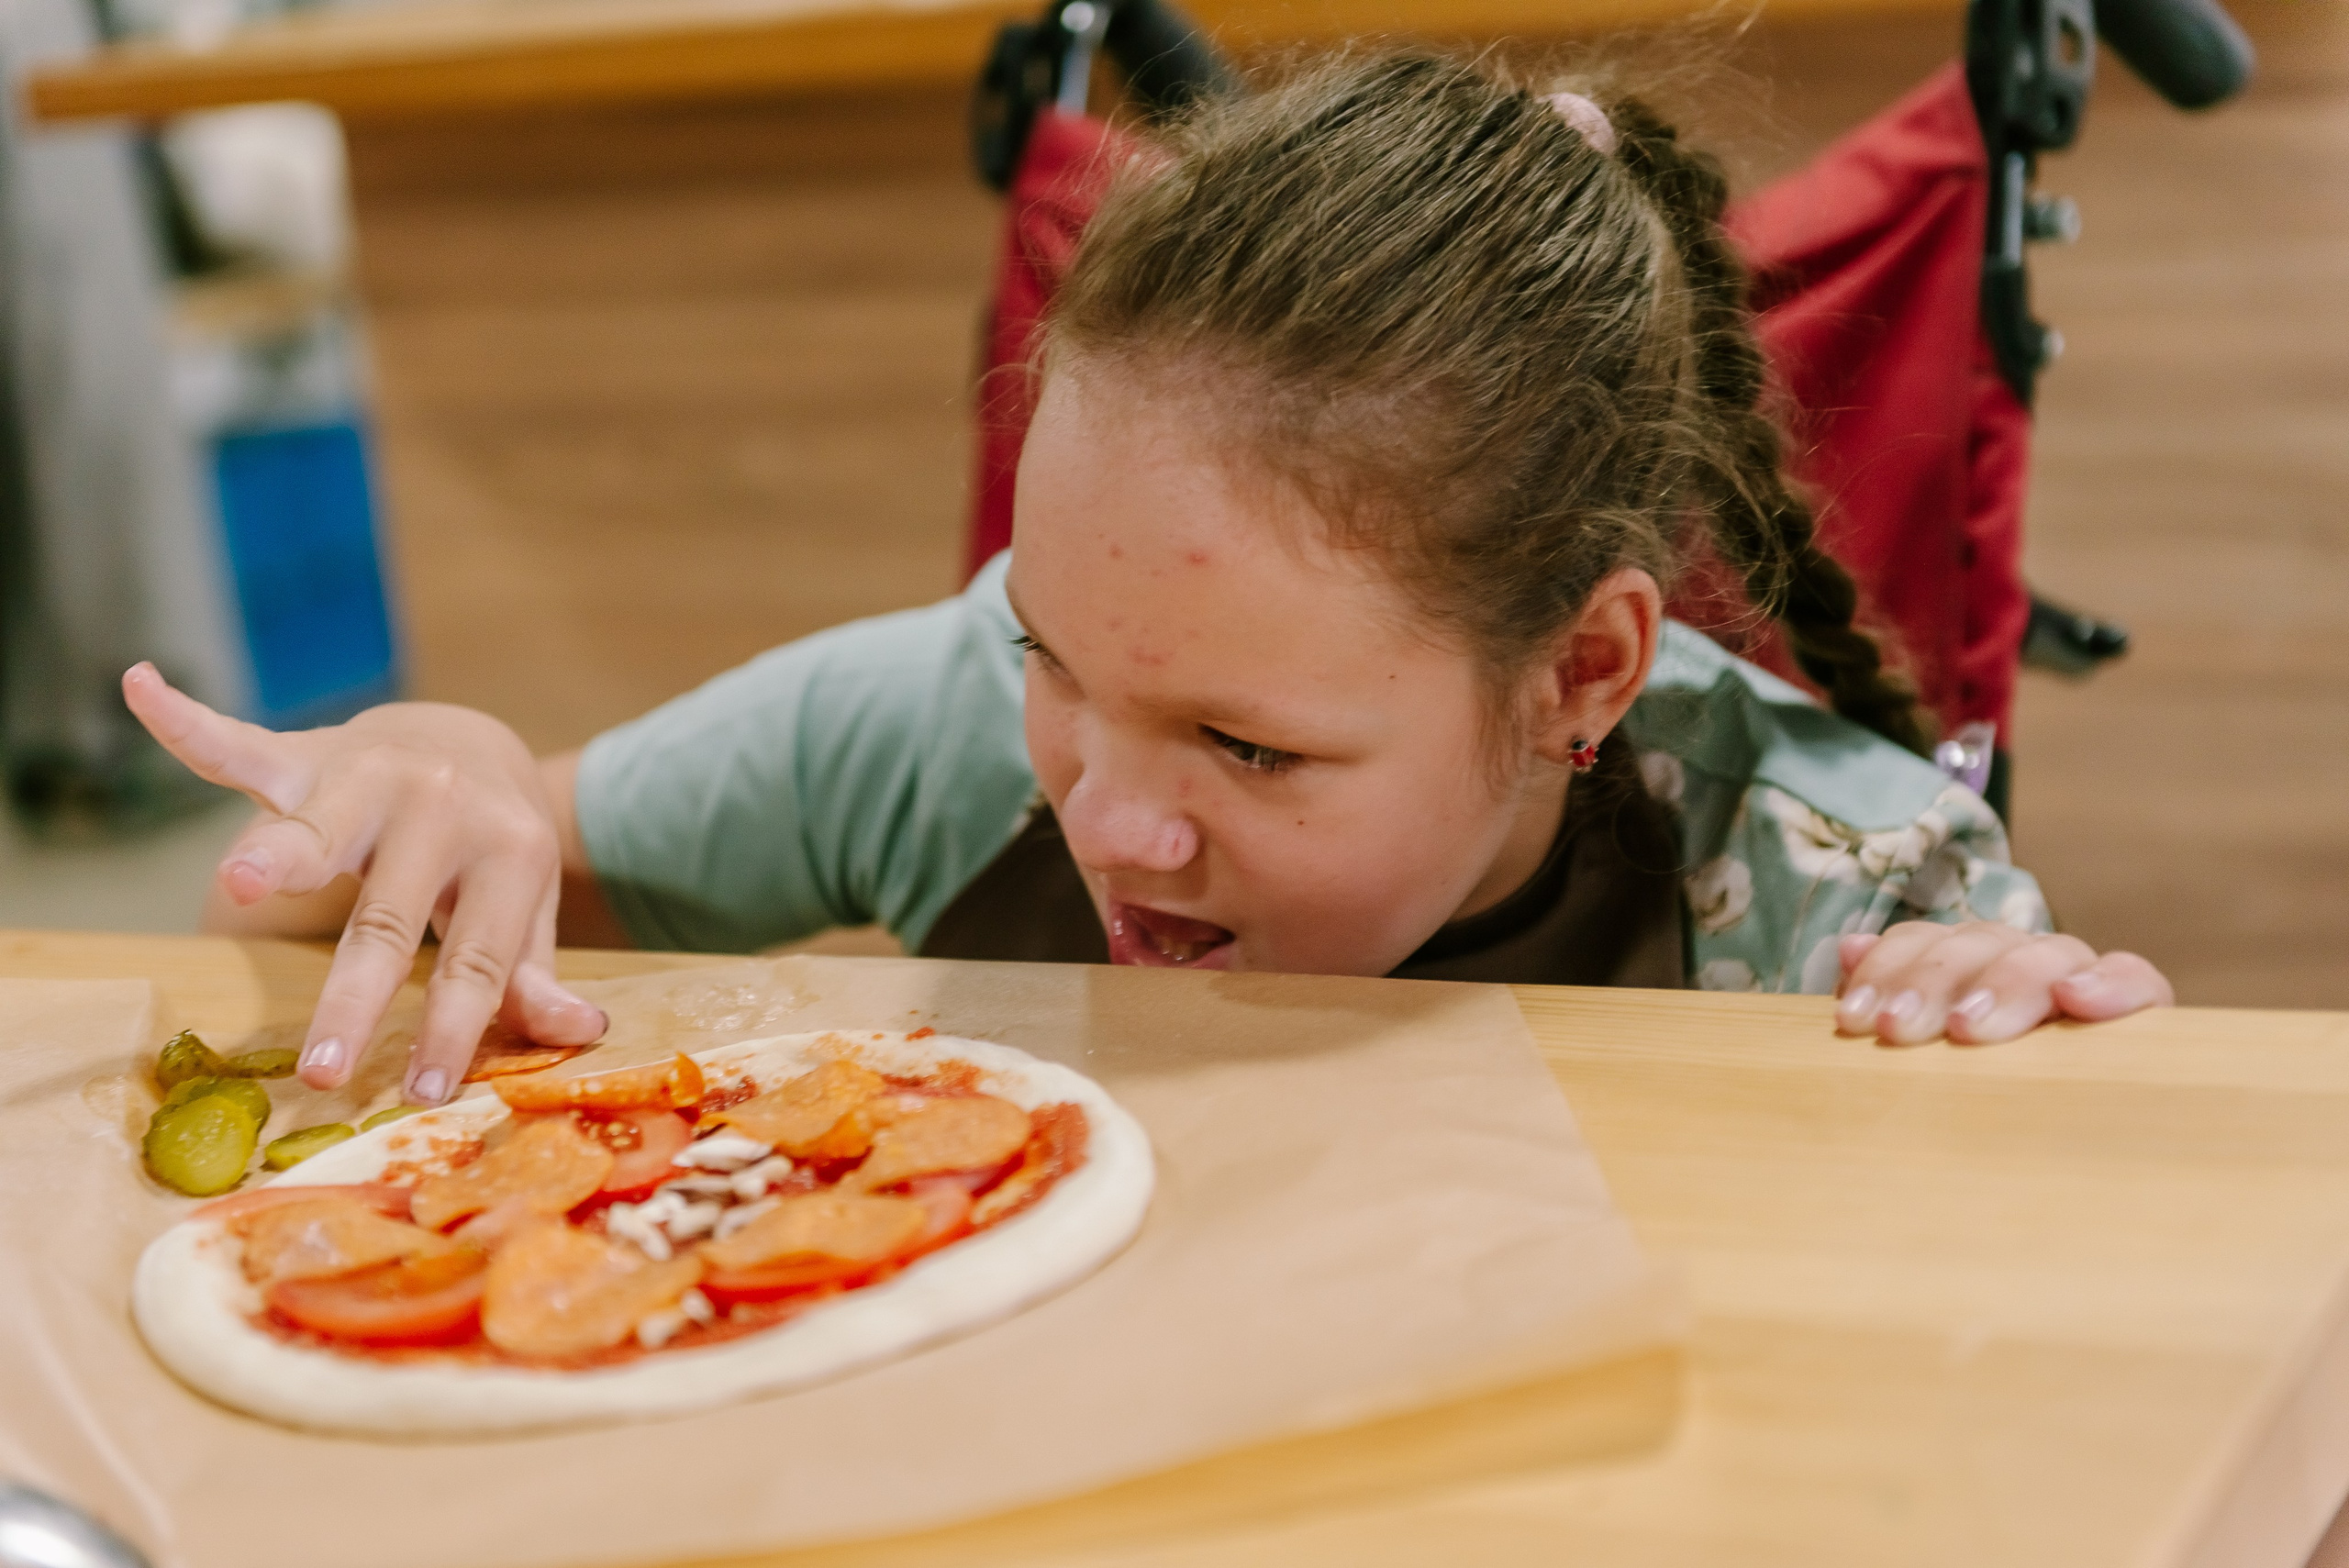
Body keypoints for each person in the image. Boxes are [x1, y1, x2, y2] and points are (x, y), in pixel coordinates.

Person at [123, 53, 2171, 1107]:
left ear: (1579, 674)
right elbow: (489, 863)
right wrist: (440, 773)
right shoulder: (942, 725)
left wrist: (2000, 1032)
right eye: (1054, 657)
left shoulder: (1841, 887)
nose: (1104, 809)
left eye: (1251, 748)